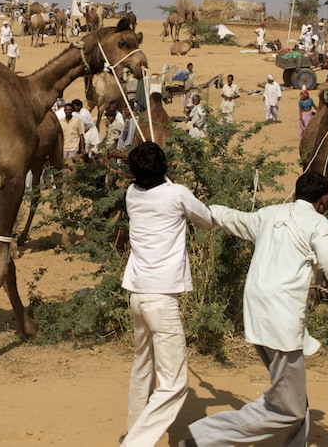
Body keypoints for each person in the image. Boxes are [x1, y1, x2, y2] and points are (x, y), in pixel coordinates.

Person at [183, 172, 328, 447]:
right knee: (290, 407)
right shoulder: (320, 226)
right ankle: (206, 437)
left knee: (293, 396)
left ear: (295, 194)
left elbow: (232, 218)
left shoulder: (269, 215)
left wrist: (197, 207)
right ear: (325, 200)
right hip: (281, 318)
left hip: (257, 312)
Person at [120, 142, 214, 447]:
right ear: (164, 167)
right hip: (161, 299)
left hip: (137, 295)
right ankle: (135, 442)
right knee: (175, 384)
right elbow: (208, 221)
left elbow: (156, 189)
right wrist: (176, 188)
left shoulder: (131, 194)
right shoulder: (177, 193)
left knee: (143, 366)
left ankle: (134, 427)